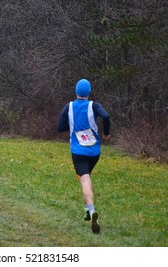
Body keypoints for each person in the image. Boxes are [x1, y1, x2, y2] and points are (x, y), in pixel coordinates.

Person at [57, 78, 110, 234]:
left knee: (84, 179)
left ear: (76, 92)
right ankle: (87, 210)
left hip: (78, 151)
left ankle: (92, 211)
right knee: (86, 178)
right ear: (88, 92)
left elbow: (59, 128)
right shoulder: (94, 106)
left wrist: (72, 125)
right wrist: (106, 133)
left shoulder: (69, 106)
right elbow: (106, 117)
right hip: (94, 152)